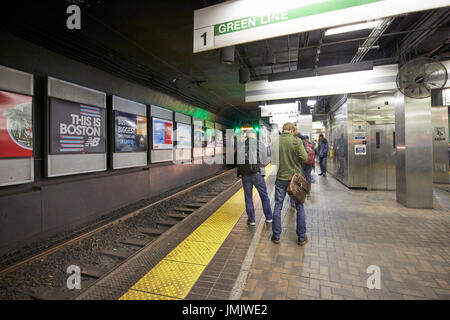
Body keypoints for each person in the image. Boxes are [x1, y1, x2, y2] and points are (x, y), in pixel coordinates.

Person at [272, 123, 308, 245]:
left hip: (281, 179)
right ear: (292, 130)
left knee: (278, 206)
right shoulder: (296, 141)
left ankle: (276, 236)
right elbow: (305, 158)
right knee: (300, 207)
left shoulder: (276, 142)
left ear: (283, 130)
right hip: (295, 181)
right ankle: (301, 237)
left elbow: (273, 160)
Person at [237, 130, 273, 226]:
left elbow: (237, 161)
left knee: (248, 198)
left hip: (245, 175)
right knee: (264, 196)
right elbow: (265, 161)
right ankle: (269, 217)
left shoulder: (241, 145)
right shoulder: (260, 144)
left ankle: (251, 220)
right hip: (258, 174)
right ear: (255, 136)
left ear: (247, 136)